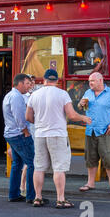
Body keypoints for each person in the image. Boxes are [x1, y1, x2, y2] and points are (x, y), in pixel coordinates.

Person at [26, 69, 92, 208]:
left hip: (40, 135)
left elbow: (28, 117)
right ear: (56, 80)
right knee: (59, 168)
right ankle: (60, 199)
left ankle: (37, 198)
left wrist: (40, 123)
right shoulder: (62, 94)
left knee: (39, 168)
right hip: (57, 134)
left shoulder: (34, 95)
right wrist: (83, 117)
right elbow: (72, 115)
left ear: (44, 80)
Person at [78, 72, 110, 195]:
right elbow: (81, 106)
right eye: (89, 81)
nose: (90, 83)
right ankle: (90, 183)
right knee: (90, 158)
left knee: (109, 158)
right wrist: (80, 104)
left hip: (106, 131)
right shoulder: (88, 93)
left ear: (100, 80)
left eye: (92, 81)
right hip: (91, 130)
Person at [3, 74, 36, 204]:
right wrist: (26, 132)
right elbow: (19, 118)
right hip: (19, 134)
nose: (29, 86)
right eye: (28, 83)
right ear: (20, 83)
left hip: (11, 134)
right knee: (33, 163)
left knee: (17, 164)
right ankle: (32, 196)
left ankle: (14, 194)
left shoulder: (9, 95)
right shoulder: (16, 97)